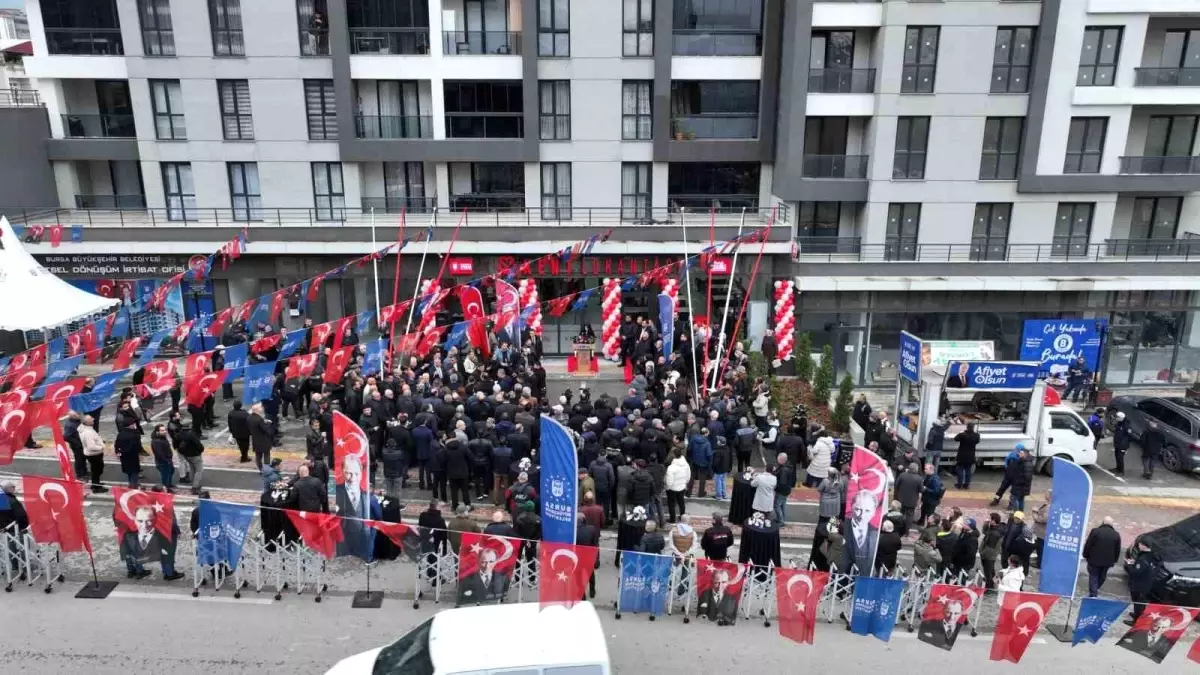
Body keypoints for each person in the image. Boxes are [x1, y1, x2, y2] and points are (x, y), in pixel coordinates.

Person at [120, 503, 183, 581]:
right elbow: (171, 521)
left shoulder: (137, 503)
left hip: (149, 531)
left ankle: (134, 570)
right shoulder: (165, 503)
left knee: (132, 550)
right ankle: (169, 573)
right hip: (166, 532)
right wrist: (177, 531)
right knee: (167, 553)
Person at [1082, 516, 1122, 598]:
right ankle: (1094, 590)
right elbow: (1117, 549)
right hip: (1107, 561)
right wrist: (1115, 560)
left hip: (1094, 559)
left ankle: (1093, 594)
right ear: (1112, 524)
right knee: (1102, 576)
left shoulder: (1095, 531)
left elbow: (1088, 544)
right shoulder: (1116, 534)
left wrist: (1085, 554)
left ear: (1103, 522)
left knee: (1093, 576)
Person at [843, 489, 880, 573]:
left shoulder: (876, 534)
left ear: (874, 512)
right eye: (858, 509)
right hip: (844, 575)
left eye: (867, 511)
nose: (862, 516)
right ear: (851, 506)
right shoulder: (842, 527)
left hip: (864, 575)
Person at [1125, 541, 1157, 624]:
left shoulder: (1142, 559)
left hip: (1139, 585)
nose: (1139, 546)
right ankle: (1139, 615)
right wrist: (1135, 563)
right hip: (1147, 583)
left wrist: (1129, 564)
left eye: (1140, 544)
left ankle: (1136, 621)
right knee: (1142, 602)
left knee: (1137, 603)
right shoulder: (1152, 556)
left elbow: (1134, 573)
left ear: (1144, 546)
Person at [575, 513, 600, 600]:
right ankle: (592, 591)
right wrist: (597, 558)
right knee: (590, 574)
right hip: (589, 557)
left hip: (577, 558)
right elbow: (595, 545)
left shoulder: (573, 531)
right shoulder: (592, 529)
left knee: (578, 577)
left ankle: (582, 594)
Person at [979, 512, 1006, 591]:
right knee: (990, 570)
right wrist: (986, 524)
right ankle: (993, 582)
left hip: (989, 555)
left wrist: (982, 553)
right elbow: (984, 532)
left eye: (990, 518)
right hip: (989, 554)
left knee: (988, 571)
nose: (988, 519)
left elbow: (990, 547)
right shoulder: (993, 528)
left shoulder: (995, 533)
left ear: (994, 521)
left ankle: (989, 588)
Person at [175, 424, 205, 495]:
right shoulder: (191, 435)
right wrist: (200, 451)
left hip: (186, 455)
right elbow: (198, 444)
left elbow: (176, 445)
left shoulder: (179, 435)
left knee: (192, 469)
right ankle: (195, 487)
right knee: (199, 470)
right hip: (195, 455)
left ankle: (194, 484)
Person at [80, 417, 106, 493]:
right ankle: (96, 488)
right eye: (91, 419)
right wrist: (101, 447)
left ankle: (96, 483)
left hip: (92, 454)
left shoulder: (87, 429)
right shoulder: (88, 433)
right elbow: (91, 446)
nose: (93, 419)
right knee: (96, 471)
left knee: (96, 470)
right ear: (87, 422)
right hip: (94, 455)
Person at [894, 462, 923, 532]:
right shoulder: (919, 478)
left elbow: (896, 485)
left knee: (900, 513)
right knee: (910, 515)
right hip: (912, 500)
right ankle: (907, 531)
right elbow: (921, 490)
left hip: (901, 499)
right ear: (915, 469)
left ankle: (899, 529)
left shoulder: (902, 475)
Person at [664, 449, 691, 523]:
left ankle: (672, 519)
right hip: (682, 487)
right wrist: (685, 483)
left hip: (672, 489)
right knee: (681, 502)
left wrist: (668, 487)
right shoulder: (686, 464)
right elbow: (688, 475)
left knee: (671, 504)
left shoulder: (671, 468)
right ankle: (682, 517)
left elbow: (669, 481)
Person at [115, 421, 143, 488]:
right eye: (133, 424)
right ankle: (133, 487)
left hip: (124, 457)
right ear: (130, 425)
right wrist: (141, 454)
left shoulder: (120, 434)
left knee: (129, 472)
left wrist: (118, 453)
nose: (135, 425)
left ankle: (131, 484)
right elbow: (137, 446)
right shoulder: (134, 435)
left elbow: (117, 445)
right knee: (134, 473)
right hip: (133, 457)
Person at [953, 423, 980, 489]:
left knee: (960, 470)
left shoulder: (962, 434)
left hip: (962, 456)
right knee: (968, 471)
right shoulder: (976, 435)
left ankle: (959, 484)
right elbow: (977, 441)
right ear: (973, 427)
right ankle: (966, 485)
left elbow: (955, 439)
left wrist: (962, 432)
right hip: (971, 456)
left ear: (967, 427)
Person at [1008, 447, 1034, 512]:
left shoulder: (1027, 463)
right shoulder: (1023, 461)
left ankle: (1017, 514)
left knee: (1013, 498)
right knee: (1020, 500)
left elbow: (1028, 477)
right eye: (1019, 453)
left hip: (1020, 486)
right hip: (1020, 487)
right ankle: (1020, 514)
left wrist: (1017, 481)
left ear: (1025, 454)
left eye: (1021, 453)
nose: (1019, 454)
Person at [149, 424, 175, 492]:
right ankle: (166, 489)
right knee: (165, 476)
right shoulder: (156, 441)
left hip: (167, 460)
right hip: (163, 462)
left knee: (171, 472)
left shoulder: (162, 437)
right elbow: (159, 454)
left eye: (165, 430)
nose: (165, 431)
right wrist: (167, 460)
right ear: (157, 432)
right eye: (162, 430)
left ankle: (169, 485)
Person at [711, 436, 732, 501]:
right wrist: (729, 468)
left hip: (719, 470)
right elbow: (730, 459)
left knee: (718, 482)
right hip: (725, 469)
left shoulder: (718, 451)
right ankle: (724, 494)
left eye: (718, 440)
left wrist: (713, 468)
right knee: (723, 481)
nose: (717, 441)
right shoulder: (728, 449)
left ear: (720, 442)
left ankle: (719, 496)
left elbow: (715, 462)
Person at [1111, 411, 1131, 476]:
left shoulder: (1127, 425)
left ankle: (1121, 471)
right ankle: (1118, 468)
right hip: (1117, 443)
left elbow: (1128, 436)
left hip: (1122, 445)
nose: (1116, 418)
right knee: (1117, 456)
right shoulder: (1119, 423)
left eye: (1117, 417)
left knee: (1120, 458)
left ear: (1121, 418)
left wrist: (1124, 445)